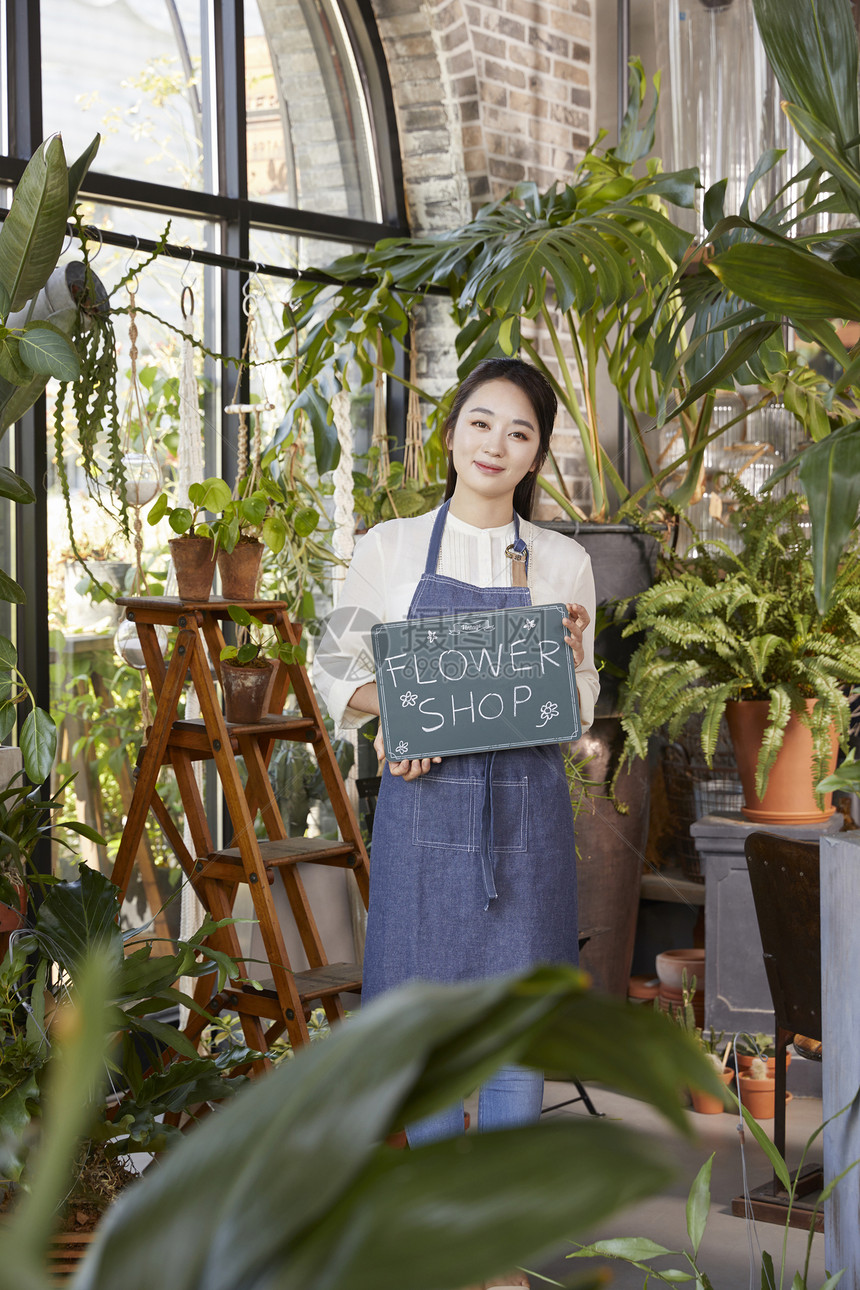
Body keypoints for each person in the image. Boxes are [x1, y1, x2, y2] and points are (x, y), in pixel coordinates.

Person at [314, 358, 598, 1261]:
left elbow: (582, 702)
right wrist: (398, 715)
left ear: (535, 457)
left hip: (526, 818)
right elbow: (333, 668)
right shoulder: (389, 548)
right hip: (423, 813)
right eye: (481, 423)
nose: (495, 444)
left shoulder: (564, 563)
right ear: (451, 435)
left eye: (519, 433)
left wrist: (569, 657)